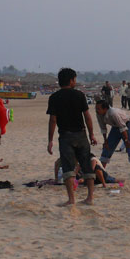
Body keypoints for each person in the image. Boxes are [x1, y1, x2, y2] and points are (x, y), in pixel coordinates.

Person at [47, 68, 98, 206]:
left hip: (65, 136)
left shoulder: (54, 98)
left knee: (68, 168)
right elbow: (87, 117)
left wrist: (50, 140)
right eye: (75, 79)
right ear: (71, 80)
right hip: (81, 134)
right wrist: (92, 134)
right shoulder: (79, 95)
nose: (75, 82)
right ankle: (90, 198)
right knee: (87, 165)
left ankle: (71, 199)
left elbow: (53, 120)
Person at [95, 100, 130, 178]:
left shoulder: (113, 113)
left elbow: (122, 127)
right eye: (96, 108)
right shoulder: (99, 114)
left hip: (126, 124)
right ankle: (100, 172)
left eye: (99, 108)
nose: (97, 110)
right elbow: (103, 128)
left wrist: (126, 140)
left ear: (105, 109)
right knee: (107, 148)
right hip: (115, 127)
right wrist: (105, 141)